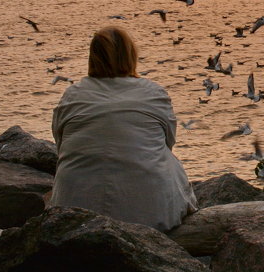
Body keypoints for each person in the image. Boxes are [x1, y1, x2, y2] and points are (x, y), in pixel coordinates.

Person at [50, 26, 197, 231]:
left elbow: (61, 144)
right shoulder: (153, 93)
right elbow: (168, 143)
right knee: (167, 160)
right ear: (130, 55)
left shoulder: (72, 95)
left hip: (74, 212)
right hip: (149, 214)